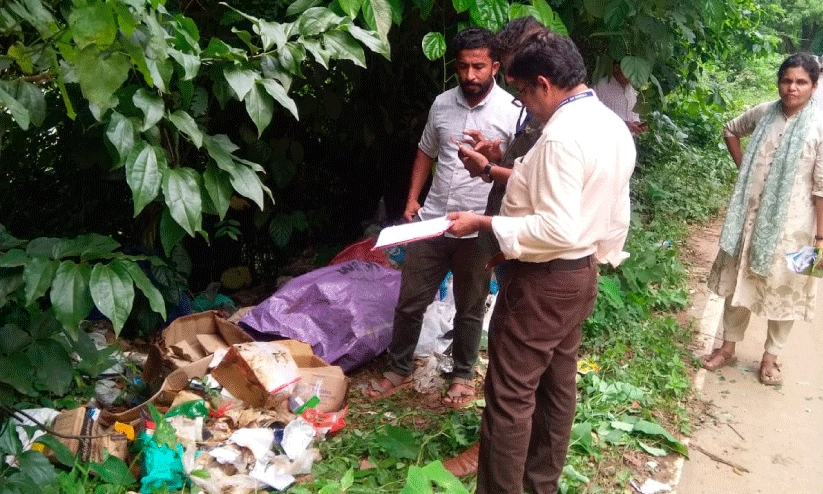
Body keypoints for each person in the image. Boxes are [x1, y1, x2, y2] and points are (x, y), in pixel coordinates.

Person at [447, 33, 636, 494]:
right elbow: (613, 206)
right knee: (557, 389)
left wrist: (484, 222)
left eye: (524, 94)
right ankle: (540, 485)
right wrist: (493, 168)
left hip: (544, 280)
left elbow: (555, 228)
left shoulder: (560, 136)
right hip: (579, 275)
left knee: (509, 397)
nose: (524, 107)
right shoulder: (610, 125)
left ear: (545, 84)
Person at [364, 27, 520, 407]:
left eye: (479, 67)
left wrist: (497, 158)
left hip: (479, 225)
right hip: (433, 221)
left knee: (470, 304)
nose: (470, 76)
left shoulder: (513, 112)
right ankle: (399, 368)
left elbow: (521, 172)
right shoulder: (441, 104)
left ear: (495, 67)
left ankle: (462, 374)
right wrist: (413, 198)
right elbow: (425, 152)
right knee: (410, 300)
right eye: (463, 67)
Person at [442, 15, 549, 478]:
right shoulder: (543, 111)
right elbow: (527, 167)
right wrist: (498, 154)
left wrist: (487, 179)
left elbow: (544, 194)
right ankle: (538, 467)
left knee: (512, 366)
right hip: (523, 244)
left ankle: (494, 460)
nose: (506, 82)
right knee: (550, 377)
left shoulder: (561, 121)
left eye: (508, 70)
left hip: (536, 254)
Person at [701, 53, 823, 386]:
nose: (792, 88)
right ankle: (727, 348)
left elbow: (822, 187)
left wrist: (820, 240)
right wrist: (746, 172)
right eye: (786, 80)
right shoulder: (766, 113)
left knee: (789, 291)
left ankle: (771, 357)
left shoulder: (819, 125)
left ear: (814, 85)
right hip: (751, 219)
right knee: (739, 282)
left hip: (800, 229)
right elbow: (730, 129)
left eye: (801, 82)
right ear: (778, 82)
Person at [593, 62, 647, 134]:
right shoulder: (599, 87)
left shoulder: (631, 91)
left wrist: (636, 124)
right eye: (629, 72)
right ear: (616, 68)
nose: (632, 77)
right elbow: (592, 118)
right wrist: (623, 125)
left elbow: (634, 116)